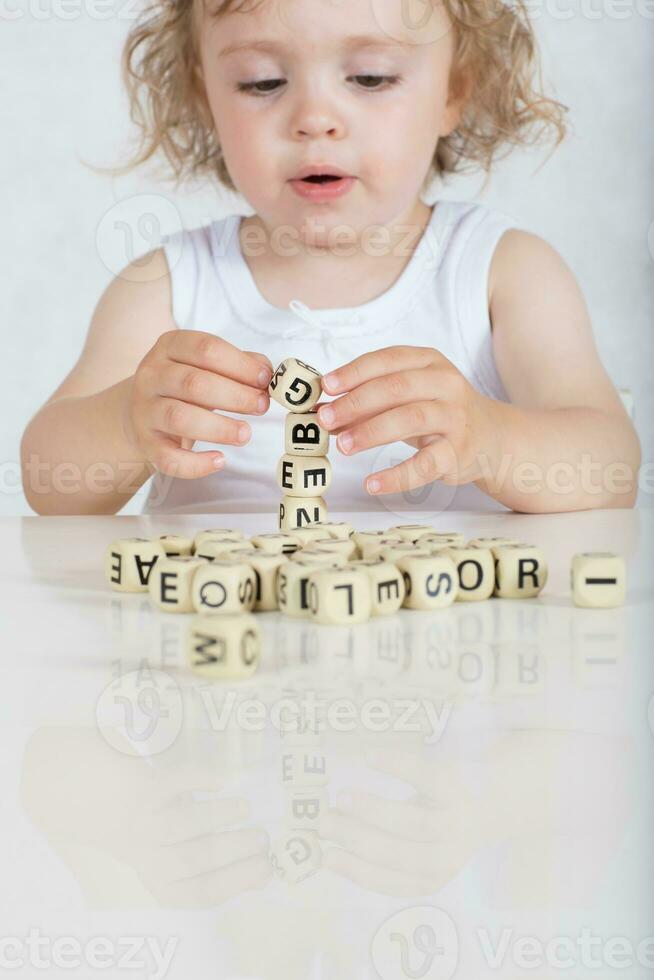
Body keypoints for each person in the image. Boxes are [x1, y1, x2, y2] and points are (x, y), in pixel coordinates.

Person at [20, 0, 641, 517]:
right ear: (204, 95)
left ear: (454, 89)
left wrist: (493, 440)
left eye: (370, 77)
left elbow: (610, 466)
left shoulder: (503, 273)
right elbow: (49, 480)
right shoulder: (166, 285)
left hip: (442, 651)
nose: (315, 120)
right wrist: (125, 427)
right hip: (222, 648)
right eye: (262, 81)